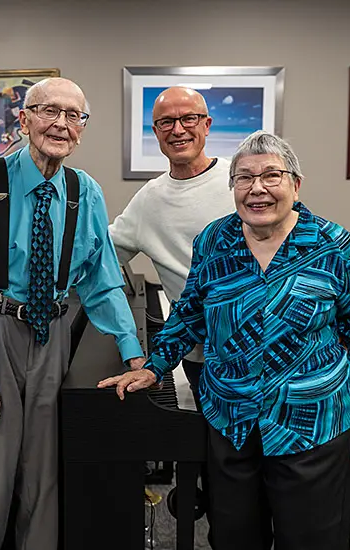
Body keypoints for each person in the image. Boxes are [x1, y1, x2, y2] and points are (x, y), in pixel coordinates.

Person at [99, 130, 350, 550]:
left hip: (311, 422)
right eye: (243, 178)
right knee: (235, 538)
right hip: (231, 420)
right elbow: (190, 312)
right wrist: (154, 366)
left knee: (311, 539)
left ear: (296, 184)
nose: (257, 189)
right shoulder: (215, 240)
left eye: (271, 176)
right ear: (231, 186)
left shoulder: (333, 245)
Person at [0, 77, 146, 550]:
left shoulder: (86, 192)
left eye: (73, 116)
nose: (61, 124)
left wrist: (134, 354)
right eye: (48, 111)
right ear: (24, 119)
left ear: (82, 128)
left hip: (52, 332)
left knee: (44, 470)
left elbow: (103, 279)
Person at [109, 86, 234, 411]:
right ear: (156, 132)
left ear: (206, 124)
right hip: (199, 356)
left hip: (265, 351)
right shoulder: (150, 200)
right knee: (219, 452)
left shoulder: (243, 179)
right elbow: (101, 257)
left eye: (188, 118)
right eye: (166, 122)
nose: (178, 130)